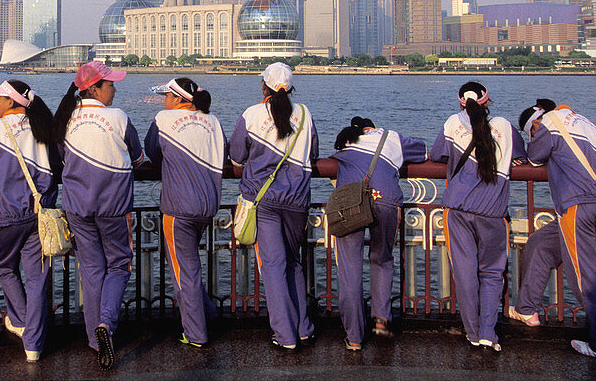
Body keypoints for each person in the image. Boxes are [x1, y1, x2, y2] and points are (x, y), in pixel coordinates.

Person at [508, 99, 596, 362]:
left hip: (577, 206)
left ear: (535, 123)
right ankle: (526, 309)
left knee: (585, 278)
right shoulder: (585, 123)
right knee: (541, 244)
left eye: (531, 132)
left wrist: (527, 143)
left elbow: (535, 157)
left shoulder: (548, 124)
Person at [53, 61, 142, 370]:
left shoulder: (66, 118)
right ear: (94, 88)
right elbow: (138, 155)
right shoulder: (118, 117)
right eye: (110, 84)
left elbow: (62, 157)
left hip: (77, 205)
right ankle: (106, 324)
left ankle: (94, 339)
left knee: (91, 271)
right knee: (118, 265)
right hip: (113, 206)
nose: (114, 89)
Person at [228, 62, 318, 351]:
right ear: (291, 88)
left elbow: (237, 156)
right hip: (298, 200)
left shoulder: (252, 115)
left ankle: (285, 335)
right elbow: (313, 155)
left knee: (274, 266)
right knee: (293, 263)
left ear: (263, 86)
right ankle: (303, 328)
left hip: (263, 202)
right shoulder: (305, 114)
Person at [430, 82, 525, 352]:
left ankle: (472, 333)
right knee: (493, 273)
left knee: (465, 272)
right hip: (494, 211)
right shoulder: (505, 126)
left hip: (458, 209)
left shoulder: (452, 124)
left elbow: (438, 154)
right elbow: (522, 156)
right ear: (487, 101)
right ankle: (487, 333)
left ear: (460, 101)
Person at [0, 80, 59, 362]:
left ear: (11, 102)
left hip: (5, 214)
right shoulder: (42, 125)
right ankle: (33, 344)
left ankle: (21, 323)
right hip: (40, 213)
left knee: (4, 268)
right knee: (37, 278)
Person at [331, 116, 428, 350]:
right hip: (386, 199)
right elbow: (425, 152)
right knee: (382, 259)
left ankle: (354, 336)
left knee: (350, 267)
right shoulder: (391, 136)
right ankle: (381, 320)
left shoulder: (346, 141)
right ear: (372, 127)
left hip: (351, 202)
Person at [144, 78, 225, 348]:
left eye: (167, 95)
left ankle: (195, 334)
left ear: (178, 99)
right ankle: (208, 314)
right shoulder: (213, 121)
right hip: (208, 206)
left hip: (179, 209)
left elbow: (153, 152)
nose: (164, 100)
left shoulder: (164, 119)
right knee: (190, 266)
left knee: (184, 272)